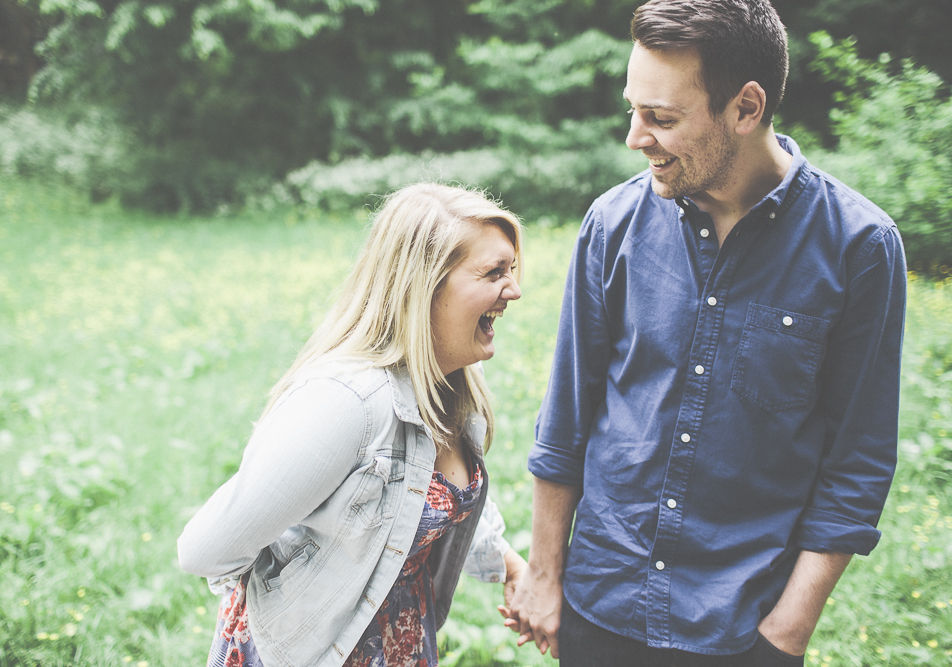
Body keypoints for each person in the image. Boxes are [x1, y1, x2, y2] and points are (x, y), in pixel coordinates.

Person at [504, 1, 907, 665]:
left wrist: (787, 633)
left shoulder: (860, 248)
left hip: (743, 629)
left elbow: (857, 462)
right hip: (599, 605)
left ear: (746, 109)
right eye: (633, 109)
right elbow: (567, 419)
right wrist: (546, 575)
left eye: (660, 118)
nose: (636, 137)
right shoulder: (612, 224)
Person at [178, 182, 529, 667]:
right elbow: (205, 550)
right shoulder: (348, 403)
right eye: (493, 273)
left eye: (511, 269)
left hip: (399, 643)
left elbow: (439, 498)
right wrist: (286, 593)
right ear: (423, 285)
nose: (514, 289)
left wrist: (509, 565)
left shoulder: (457, 376)